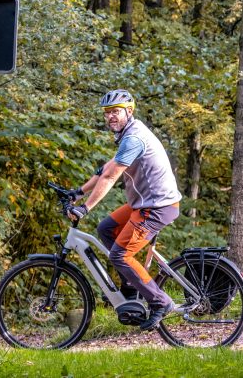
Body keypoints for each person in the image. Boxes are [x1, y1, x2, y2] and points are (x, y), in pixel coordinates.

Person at [67, 89, 182, 331]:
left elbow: (110, 176)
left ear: (129, 112)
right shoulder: (128, 134)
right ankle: (131, 285)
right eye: (107, 112)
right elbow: (107, 167)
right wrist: (79, 192)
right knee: (106, 228)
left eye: (116, 112)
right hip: (144, 204)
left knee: (119, 255)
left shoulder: (134, 138)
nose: (110, 117)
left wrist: (85, 208)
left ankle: (161, 302)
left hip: (157, 206)